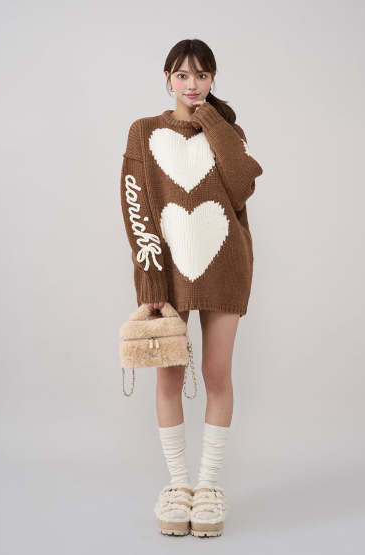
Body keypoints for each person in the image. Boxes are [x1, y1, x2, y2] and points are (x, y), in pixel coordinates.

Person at [119, 38, 263, 537]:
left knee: (217, 373)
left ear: (212, 79)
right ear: (168, 79)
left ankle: (208, 487)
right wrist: (150, 279)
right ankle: (178, 485)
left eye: (202, 75)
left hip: (226, 265)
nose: (192, 84)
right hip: (169, 273)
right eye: (183, 75)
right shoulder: (144, 132)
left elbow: (242, 187)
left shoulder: (226, 131)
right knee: (169, 379)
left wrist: (214, 124)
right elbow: (137, 209)